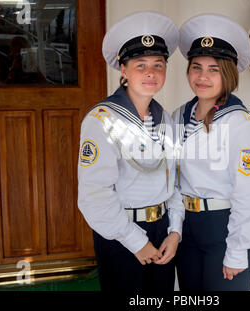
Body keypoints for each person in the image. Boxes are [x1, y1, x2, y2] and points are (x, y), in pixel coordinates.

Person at [77, 11, 184, 292]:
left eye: (158, 65)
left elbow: (174, 183)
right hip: (120, 234)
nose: (151, 73)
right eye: (141, 64)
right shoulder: (102, 121)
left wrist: (175, 231)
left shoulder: (166, 120)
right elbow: (94, 196)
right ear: (123, 70)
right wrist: (137, 242)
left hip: (162, 231)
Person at [174, 14, 250, 291]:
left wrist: (238, 250)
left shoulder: (240, 123)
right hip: (188, 228)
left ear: (228, 74)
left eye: (214, 69)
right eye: (196, 67)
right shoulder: (180, 115)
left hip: (224, 229)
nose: (203, 76)